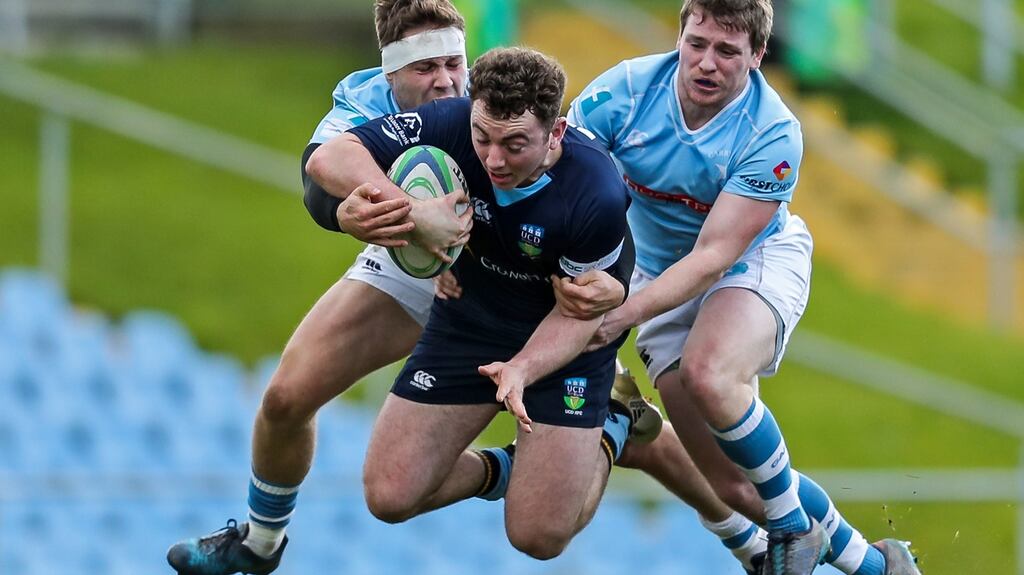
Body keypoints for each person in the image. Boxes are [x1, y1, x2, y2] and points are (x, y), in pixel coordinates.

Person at [166, 2, 767, 574]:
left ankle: (734, 525)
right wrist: (387, 214)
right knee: (287, 399)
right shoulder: (365, 101)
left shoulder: (485, 104)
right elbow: (321, 182)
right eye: (426, 68)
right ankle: (261, 541)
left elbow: (566, 193)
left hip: (507, 280)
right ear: (389, 73)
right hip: (417, 266)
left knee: (554, 499)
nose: (447, 82)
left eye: (456, 64)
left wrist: (604, 292)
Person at [564, 1, 922, 574]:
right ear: (679, 36)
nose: (707, 63)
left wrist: (620, 315)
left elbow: (713, 256)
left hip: (749, 263)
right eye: (697, 43)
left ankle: (786, 531)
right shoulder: (622, 93)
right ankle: (879, 568)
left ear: (757, 56)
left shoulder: (774, 132)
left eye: (727, 51)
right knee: (732, 484)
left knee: (712, 374)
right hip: (656, 274)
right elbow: (565, 188)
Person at [323, 45, 642, 559]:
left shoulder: (595, 193)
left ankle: (611, 426)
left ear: (555, 133)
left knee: (537, 536)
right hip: (470, 316)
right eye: (482, 138)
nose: (493, 159)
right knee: (389, 494)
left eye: (515, 144)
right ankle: (514, 468)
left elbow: (579, 313)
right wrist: (411, 212)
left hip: (564, 345)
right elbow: (330, 156)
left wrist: (521, 369)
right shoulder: (452, 120)